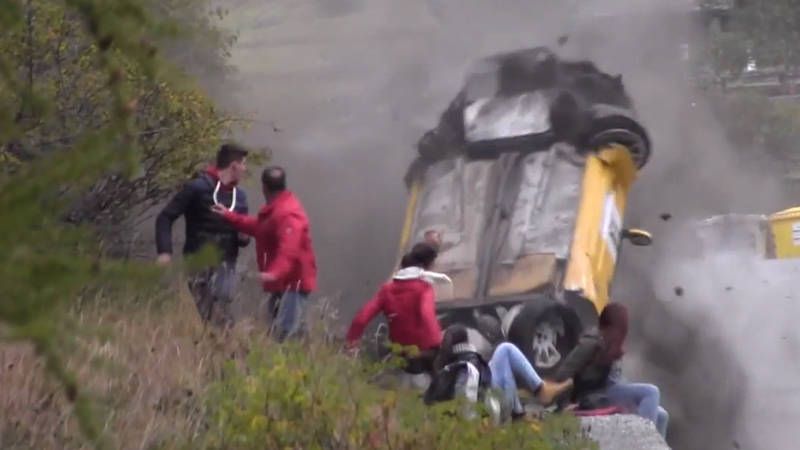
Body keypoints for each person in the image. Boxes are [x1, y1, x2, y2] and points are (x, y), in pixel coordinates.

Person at [212, 166, 317, 341]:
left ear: (264, 187)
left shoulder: (288, 213)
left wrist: (274, 273)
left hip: (293, 283)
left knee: (284, 334)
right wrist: (229, 216)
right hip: (282, 282)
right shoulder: (277, 209)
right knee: (280, 329)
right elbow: (261, 228)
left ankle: (286, 366)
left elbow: (289, 249)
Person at [155, 143, 250, 327]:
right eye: (244, 164)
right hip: (198, 261)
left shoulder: (240, 197)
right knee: (211, 316)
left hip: (226, 263)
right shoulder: (197, 188)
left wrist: (244, 237)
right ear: (234, 166)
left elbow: (243, 232)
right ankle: (226, 349)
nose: (245, 169)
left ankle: (226, 351)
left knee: (222, 315)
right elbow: (165, 217)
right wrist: (164, 252)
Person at [554, 303, 669, 438]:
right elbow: (563, 374)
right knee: (651, 392)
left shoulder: (612, 344)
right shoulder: (591, 343)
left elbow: (616, 380)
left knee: (661, 415)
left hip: (611, 391)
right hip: (595, 395)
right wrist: (566, 403)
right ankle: (641, 442)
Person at [425, 325, 573, 422]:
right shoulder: (468, 366)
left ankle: (523, 409)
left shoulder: (447, 368)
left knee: (502, 352)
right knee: (505, 349)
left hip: (483, 409)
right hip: (489, 415)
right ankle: (539, 393)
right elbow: (465, 403)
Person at [345, 242, 444, 375]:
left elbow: (361, 318)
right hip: (422, 355)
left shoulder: (387, 290)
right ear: (427, 266)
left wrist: (351, 341)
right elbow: (427, 315)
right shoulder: (424, 288)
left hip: (399, 352)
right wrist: (438, 343)